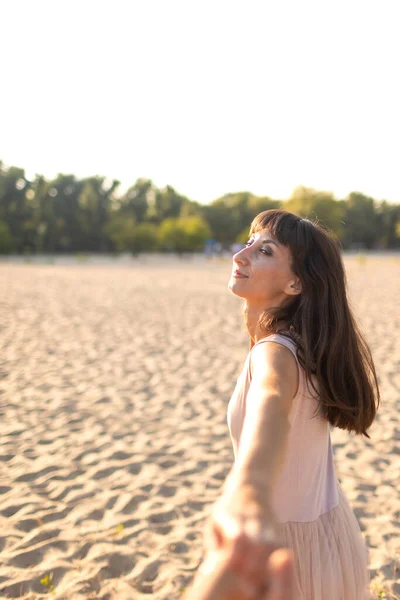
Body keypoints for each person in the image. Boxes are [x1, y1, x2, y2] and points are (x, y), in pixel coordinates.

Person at [189, 210, 379, 599]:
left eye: (265, 251)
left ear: (296, 283)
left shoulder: (274, 353)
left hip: (286, 549)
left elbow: (270, 403)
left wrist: (249, 489)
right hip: (327, 534)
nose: (240, 256)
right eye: (248, 243)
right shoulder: (304, 345)